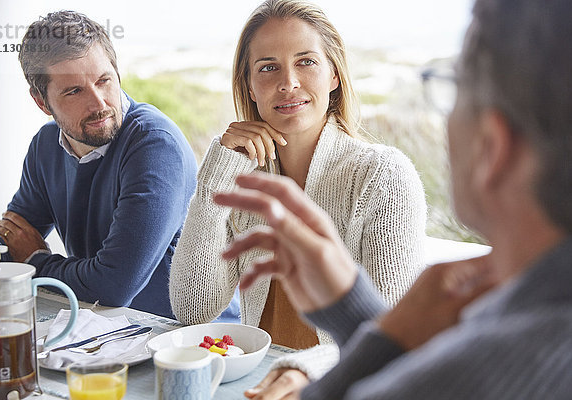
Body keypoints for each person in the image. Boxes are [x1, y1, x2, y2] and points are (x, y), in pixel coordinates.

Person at [214, 0, 572, 398]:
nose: (288, 82)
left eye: (453, 89)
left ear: (492, 147)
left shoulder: (488, 360)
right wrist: (354, 310)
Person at [169, 0, 425, 355]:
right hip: (254, 384)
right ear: (250, 86)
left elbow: (392, 337)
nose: (288, 83)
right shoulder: (241, 178)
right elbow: (193, 310)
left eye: (306, 62)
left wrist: (300, 371)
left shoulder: (383, 176)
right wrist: (216, 178)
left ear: (334, 75)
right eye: (268, 67)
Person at [0, 11, 200, 319]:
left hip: (190, 342)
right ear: (41, 102)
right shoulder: (45, 146)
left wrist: (35, 259)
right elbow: (15, 235)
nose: (99, 104)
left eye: (103, 80)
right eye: (74, 91)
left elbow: (114, 286)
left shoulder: (155, 145)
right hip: (108, 334)